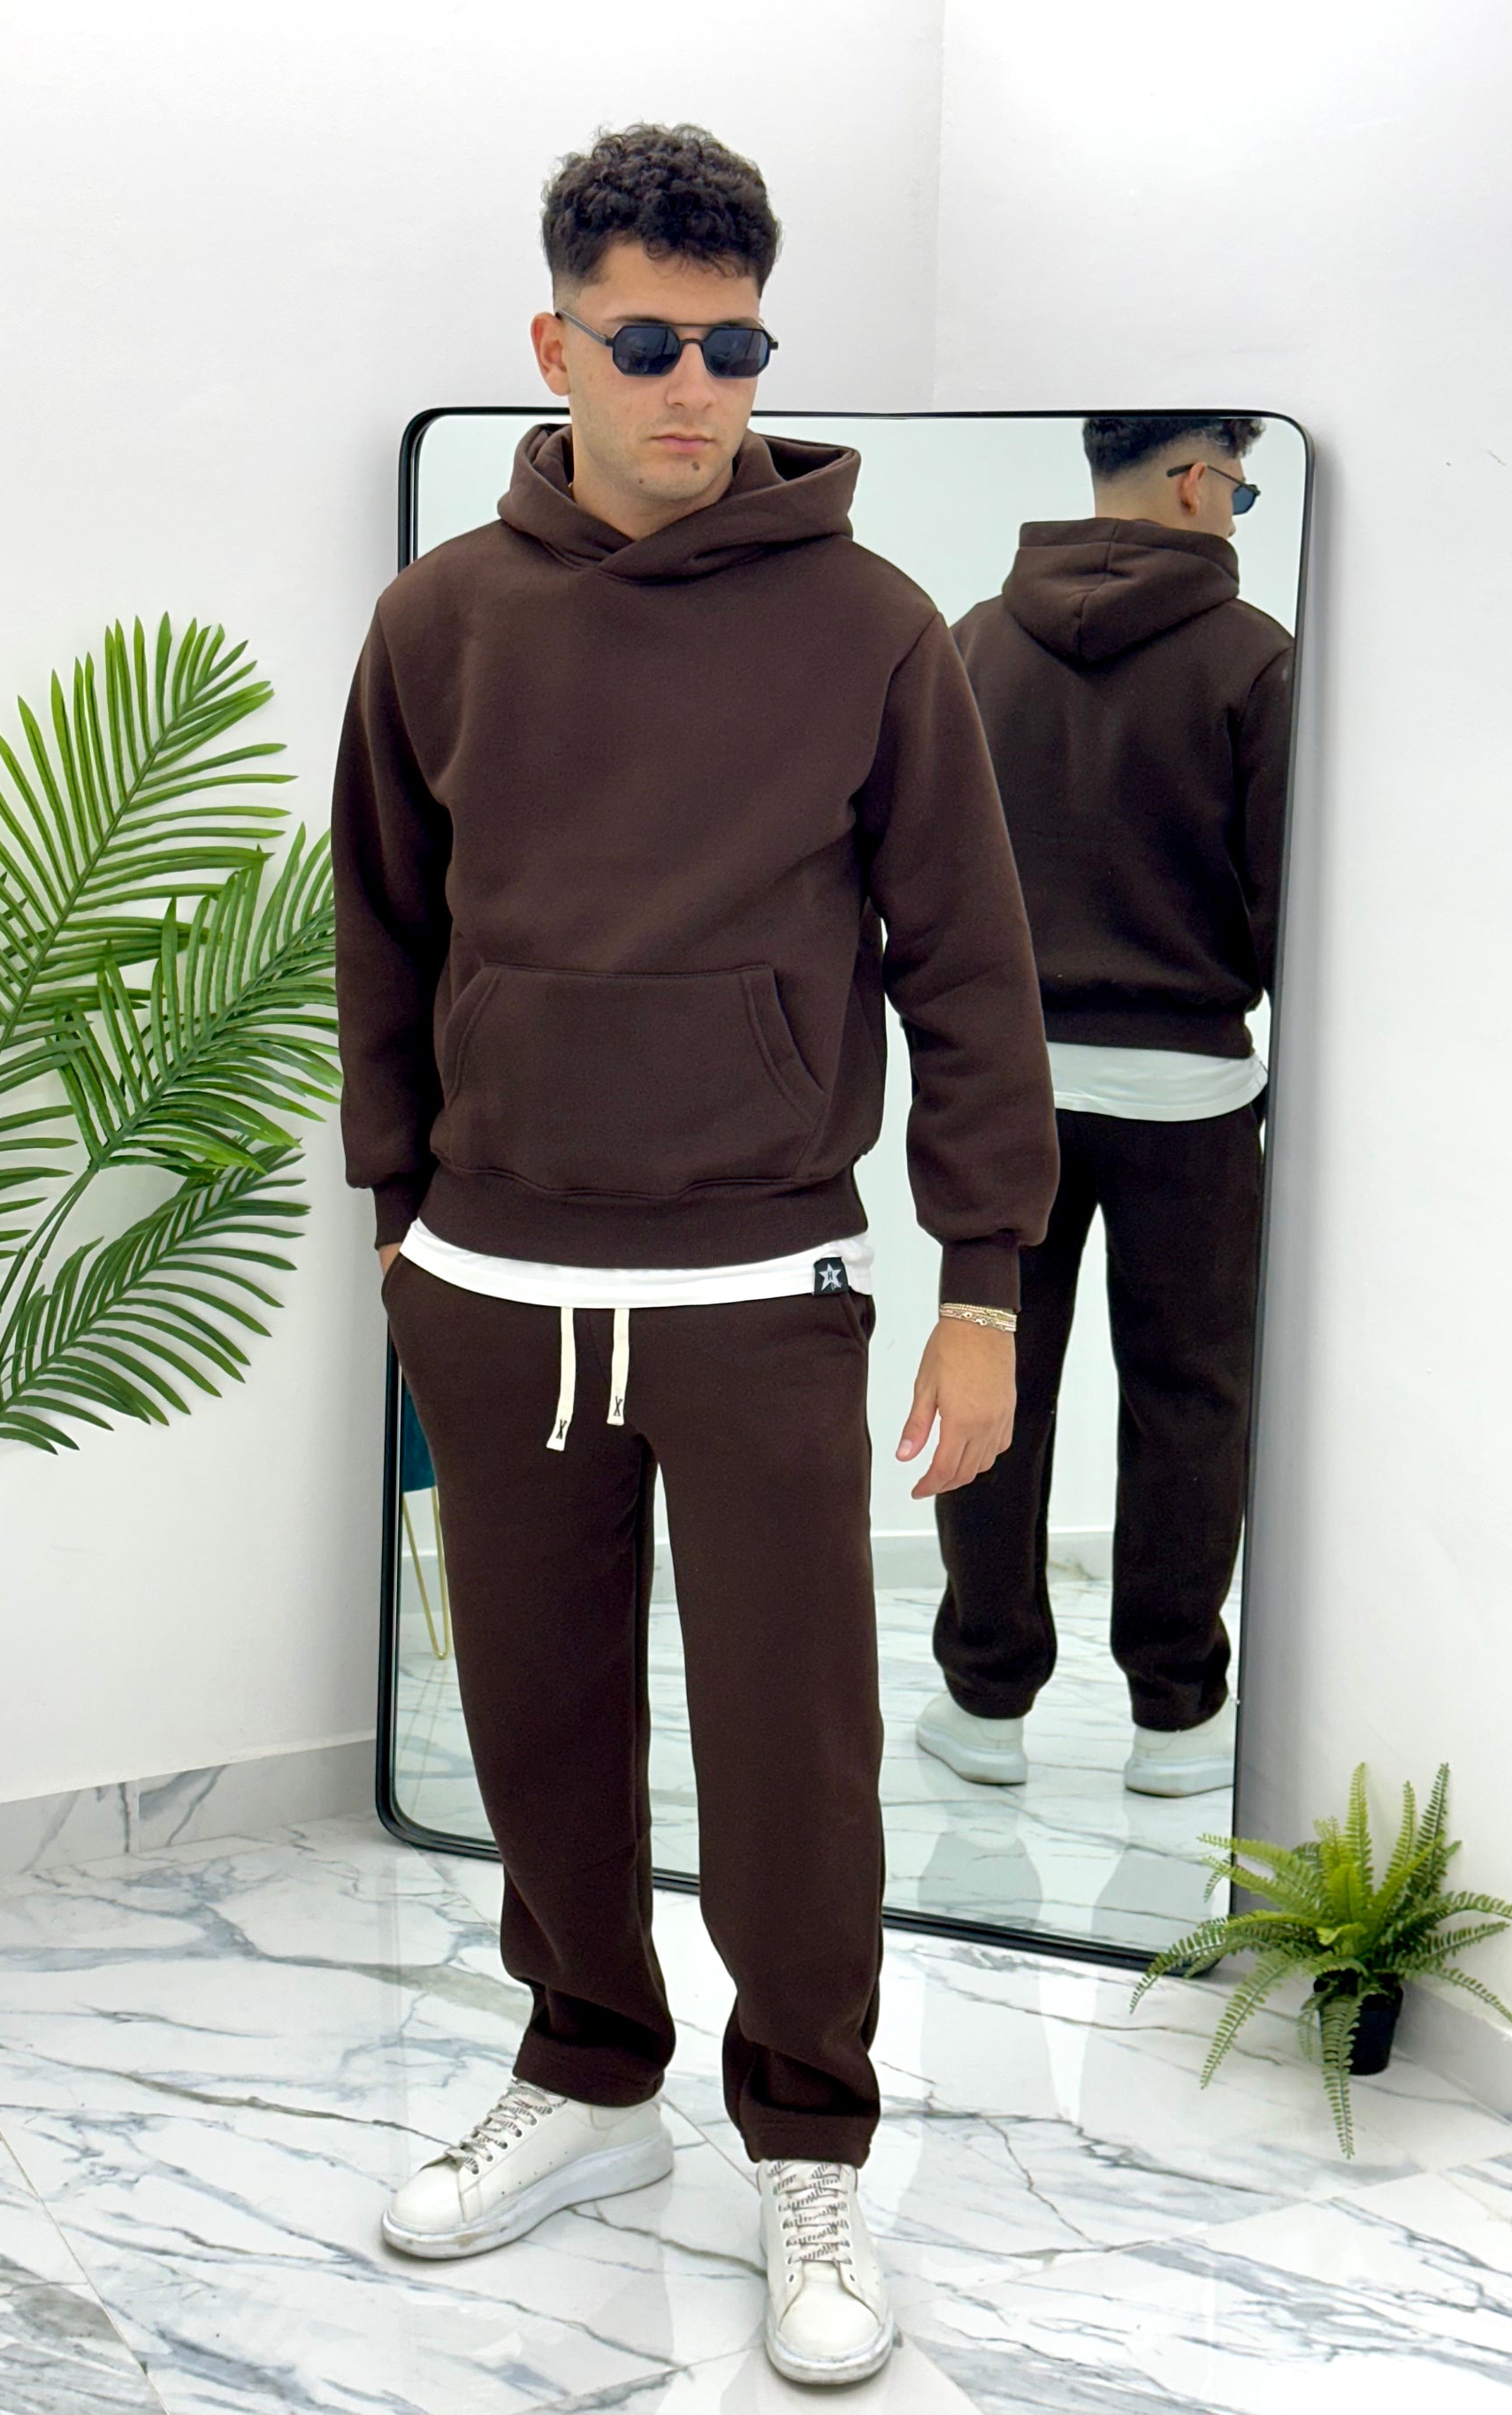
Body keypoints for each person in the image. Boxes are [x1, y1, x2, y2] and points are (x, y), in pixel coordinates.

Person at [331, 123, 1056, 2388]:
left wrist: (983, 1281)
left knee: (791, 1759)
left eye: (733, 346)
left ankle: (807, 2141)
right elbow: (382, 929)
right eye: (647, 342)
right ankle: (582, 2072)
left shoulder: (871, 627)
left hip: (758, 1289)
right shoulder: (440, 619)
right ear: (554, 346)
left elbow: (970, 969)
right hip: (495, 1281)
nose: (694, 387)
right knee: (537, 1722)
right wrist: (398, 1222)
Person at [918, 414, 1292, 1802]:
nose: (1236, 510)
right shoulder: (1254, 659)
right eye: (1239, 487)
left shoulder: (974, 642)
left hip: (1006, 1090)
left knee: (991, 1385)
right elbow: (1285, 898)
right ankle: (1175, 1721)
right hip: (1191, 1097)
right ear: (1197, 480)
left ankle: (985, 1706)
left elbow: (927, 877)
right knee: (1190, 1400)